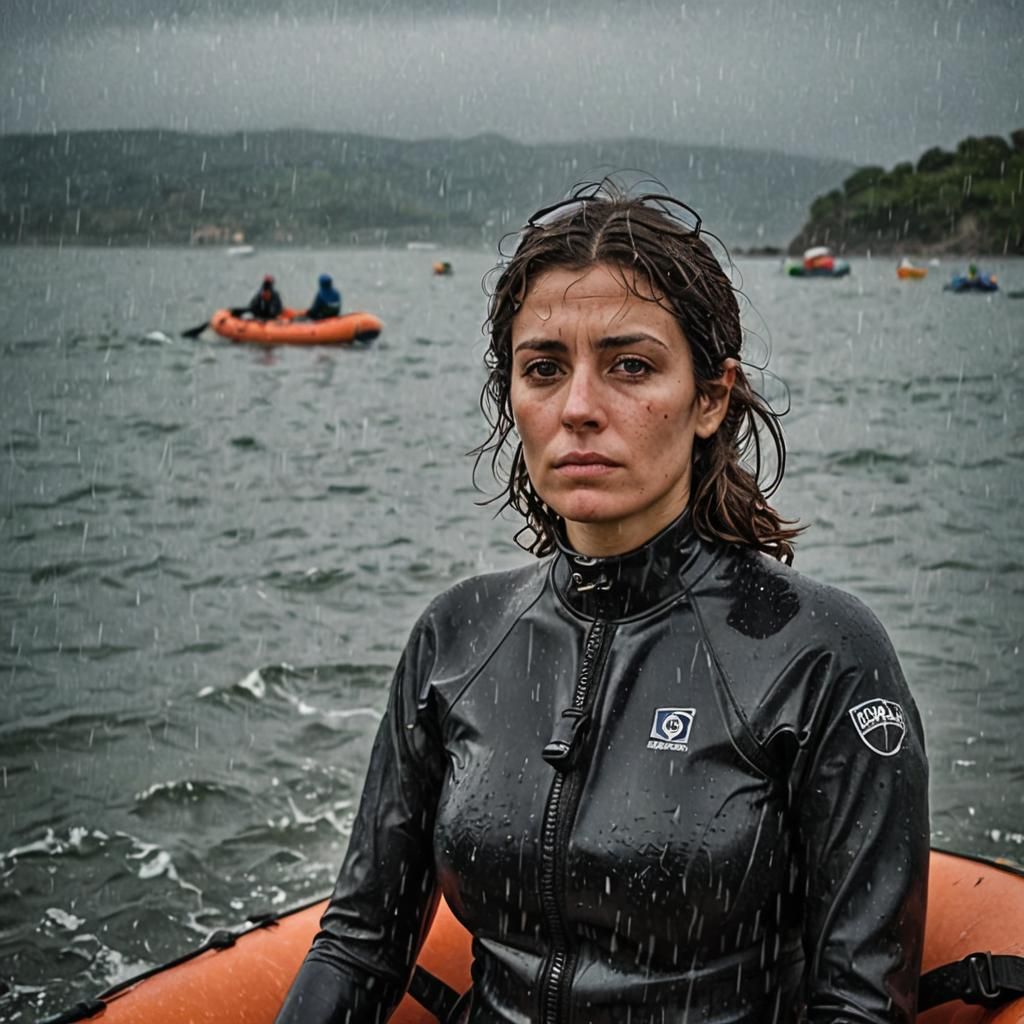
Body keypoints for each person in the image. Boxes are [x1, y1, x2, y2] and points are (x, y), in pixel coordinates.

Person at [274, 182, 929, 1024]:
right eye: (544, 368)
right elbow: (363, 942)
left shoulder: (820, 652)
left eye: (631, 365)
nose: (579, 408)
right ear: (513, 397)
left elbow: (860, 1006)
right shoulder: (458, 636)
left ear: (711, 397)